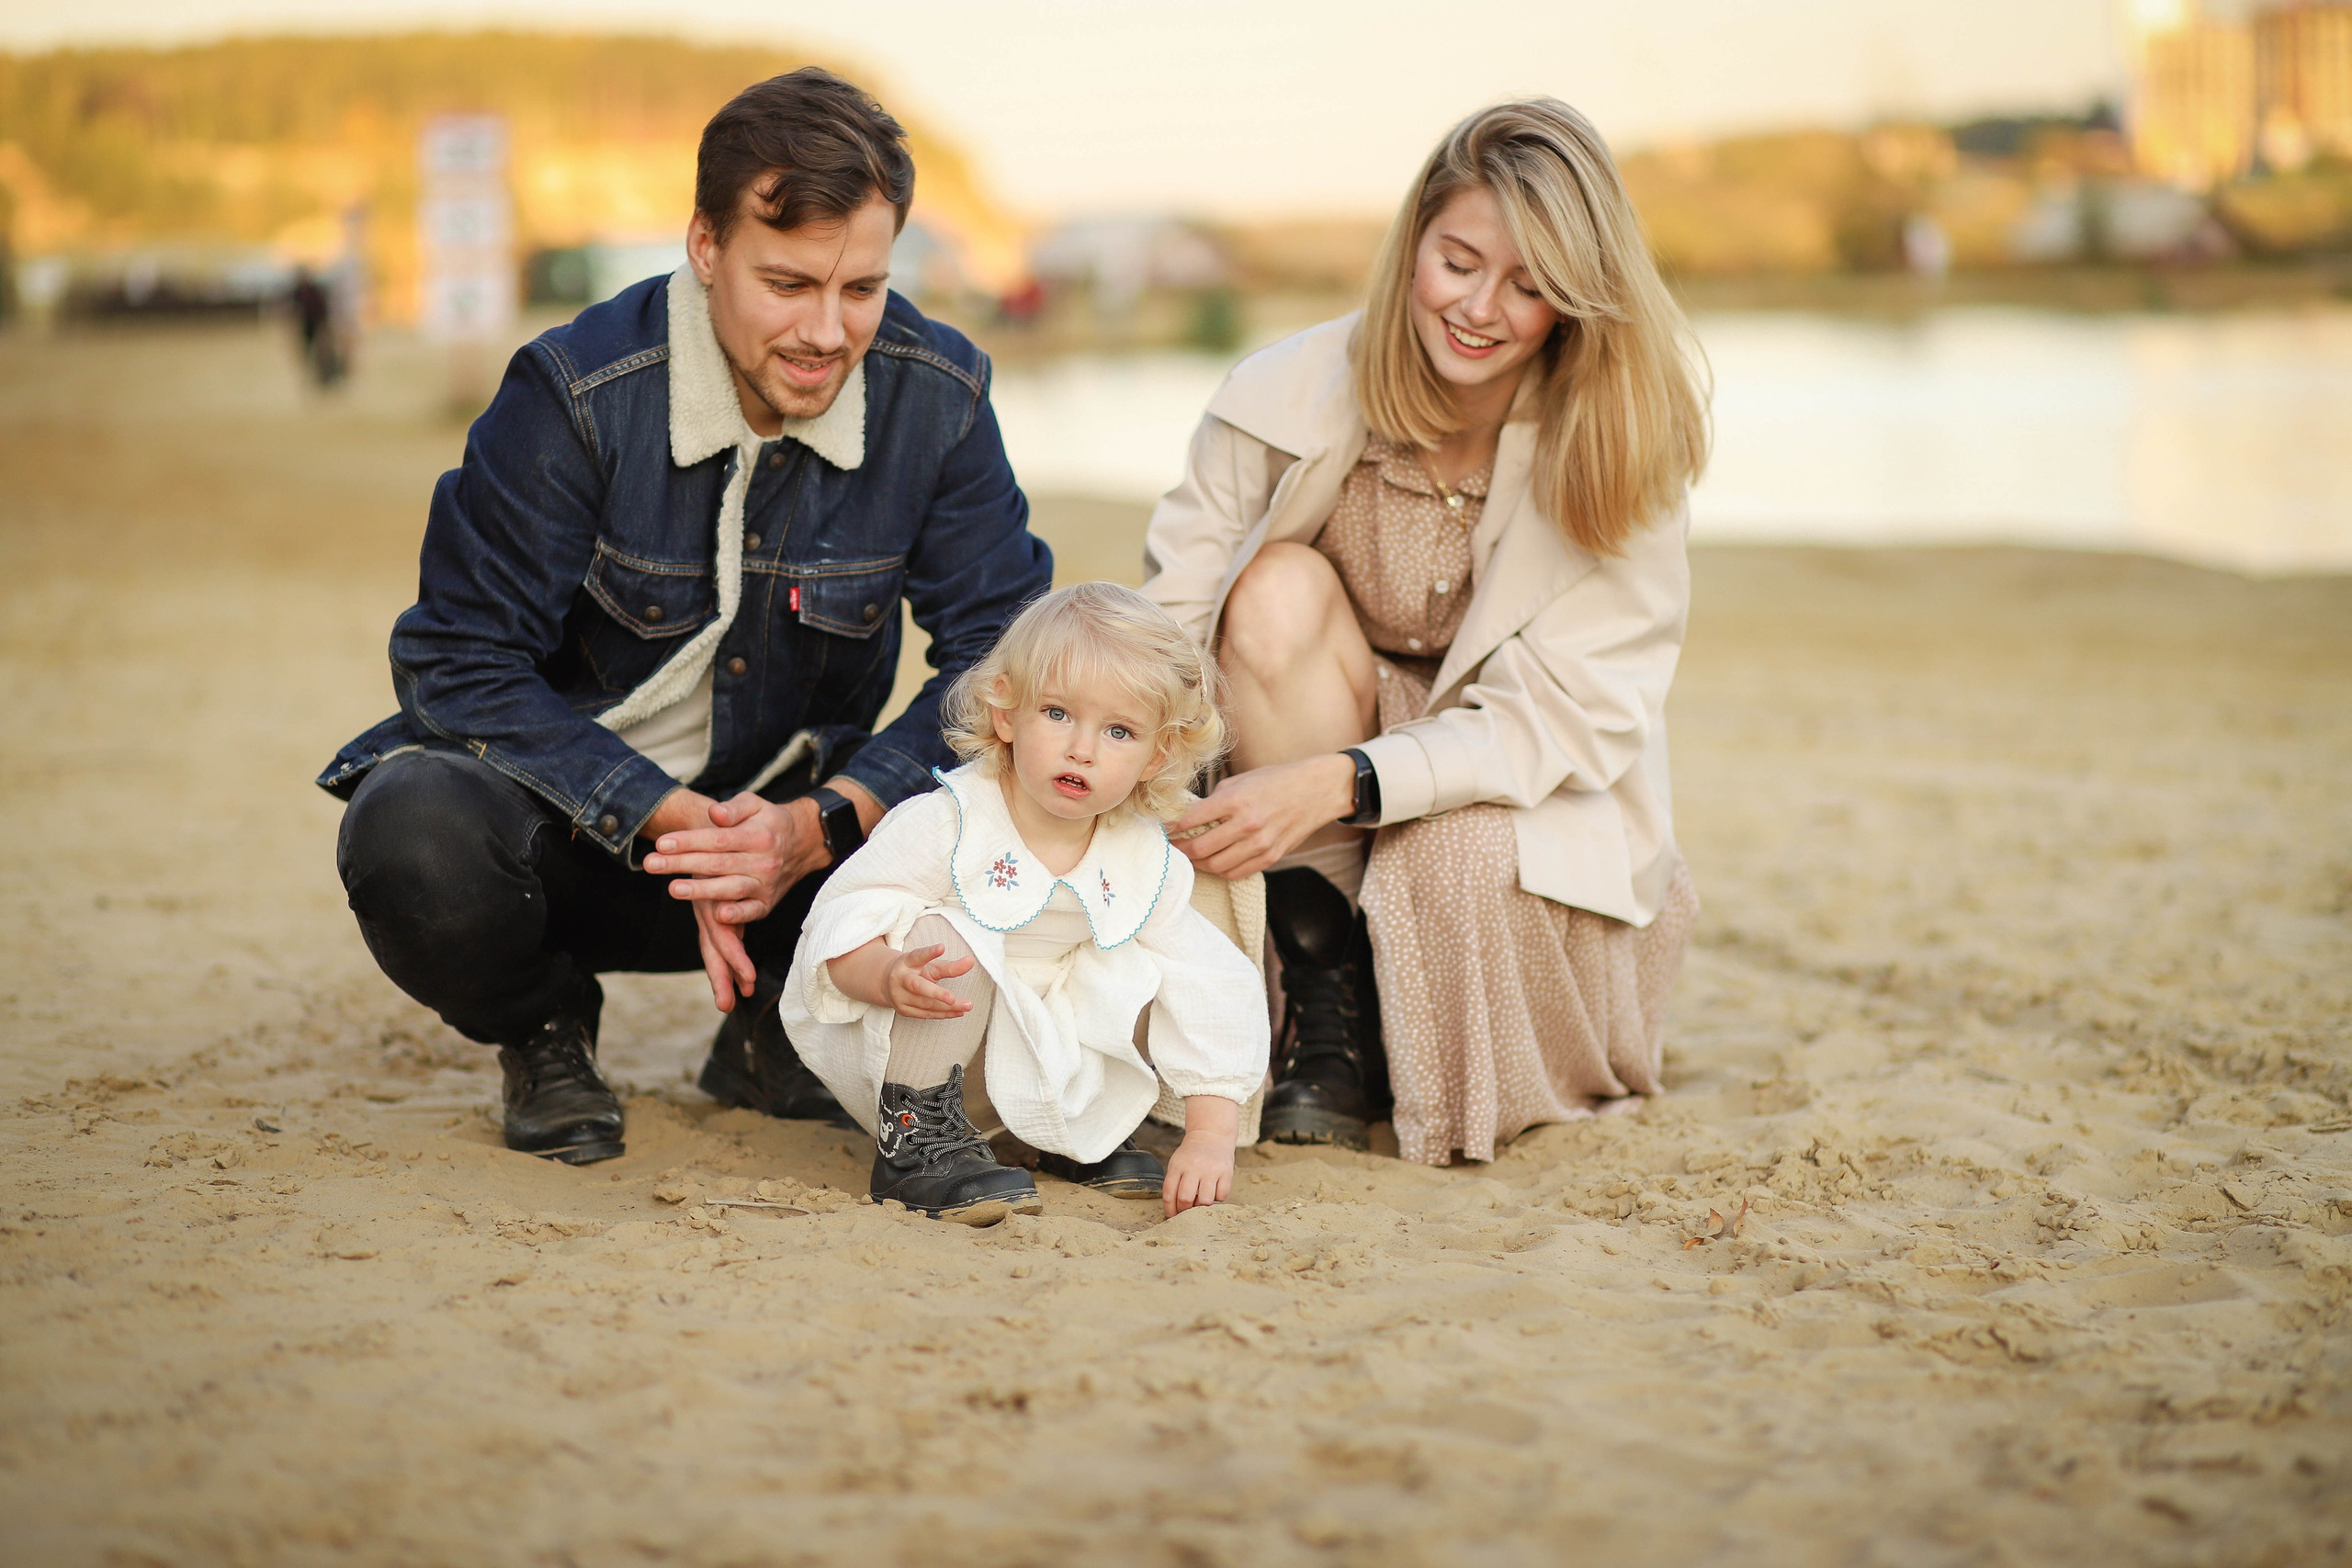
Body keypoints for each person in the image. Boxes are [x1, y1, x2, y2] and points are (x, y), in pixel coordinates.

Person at [319, 68, 1051, 1167]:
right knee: (406, 830)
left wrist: (824, 822)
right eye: (788, 283)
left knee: (1040, 767)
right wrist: (666, 814)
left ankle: (777, 1028)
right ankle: (544, 1026)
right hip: (587, 837)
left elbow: (1005, 656)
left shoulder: (936, 394)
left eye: (861, 289)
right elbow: (455, 662)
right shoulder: (573, 394)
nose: (826, 331)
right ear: (704, 244)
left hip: (810, 853)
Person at [1143, 99, 1709, 1165]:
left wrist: (1343, 781)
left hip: (1519, 772)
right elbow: (1171, 627)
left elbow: (1569, 719)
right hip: (1297, 738)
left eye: (1530, 285)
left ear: (1577, 302)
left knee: (1448, 856)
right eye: (1459, 261)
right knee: (1269, 593)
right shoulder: (1276, 396)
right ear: (1412, 245)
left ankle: (1410, 1045)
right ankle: (1325, 995)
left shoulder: (1624, 449)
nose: (1481, 308)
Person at [780, 583, 1270, 1224]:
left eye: (1118, 730)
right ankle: (916, 1145)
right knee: (948, 940)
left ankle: (1067, 1130)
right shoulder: (952, 821)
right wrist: (881, 971)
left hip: (1047, 1067)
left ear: (1158, 755)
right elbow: (842, 913)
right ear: (1007, 712)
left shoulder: (1141, 856)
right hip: (931, 1049)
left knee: (1155, 959)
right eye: (1059, 713)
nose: (1083, 748)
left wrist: (1210, 1132)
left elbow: (1213, 984)